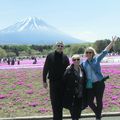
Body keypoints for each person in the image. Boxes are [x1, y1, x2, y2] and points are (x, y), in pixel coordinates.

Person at [82, 36, 117, 120]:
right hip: (90, 84)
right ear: (85, 53)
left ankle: (98, 117)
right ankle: (98, 114)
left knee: (99, 101)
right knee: (89, 101)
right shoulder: (84, 63)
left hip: (99, 83)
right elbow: (76, 66)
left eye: (90, 52)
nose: (88, 54)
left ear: (93, 53)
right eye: (87, 52)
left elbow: (104, 52)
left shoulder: (97, 59)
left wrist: (111, 43)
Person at [42, 41, 70, 120]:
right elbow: (45, 69)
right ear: (55, 46)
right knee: (54, 102)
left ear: (63, 47)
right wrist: (44, 81)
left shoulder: (65, 57)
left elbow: (68, 71)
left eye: (61, 46)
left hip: (63, 83)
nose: (60, 47)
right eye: (58, 45)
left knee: (61, 103)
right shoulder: (50, 56)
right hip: (53, 83)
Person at [62, 54, 87, 120]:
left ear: (80, 60)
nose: (76, 61)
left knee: (78, 114)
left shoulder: (82, 69)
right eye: (74, 59)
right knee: (74, 115)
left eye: (78, 59)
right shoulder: (69, 70)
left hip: (80, 94)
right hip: (72, 95)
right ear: (72, 61)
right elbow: (64, 81)